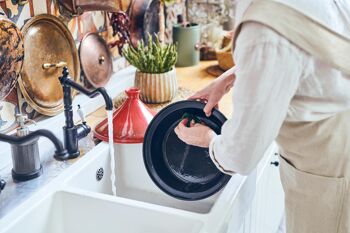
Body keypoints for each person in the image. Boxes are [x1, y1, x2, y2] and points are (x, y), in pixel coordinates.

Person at [174, 0, 350, 232]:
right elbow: (305, 53)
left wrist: (207, 139)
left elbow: (241, 155)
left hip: (331, 168)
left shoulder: (263, 28)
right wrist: (237, 74)